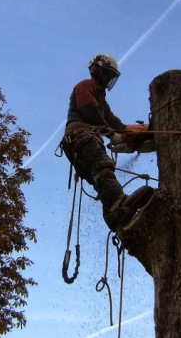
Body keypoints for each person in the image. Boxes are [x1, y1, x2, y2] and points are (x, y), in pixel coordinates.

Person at [62, 53, 153, 231]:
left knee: (101, 179)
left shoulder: (102, 101)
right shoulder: (85, 86)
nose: (107, 78)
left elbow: (116, 123)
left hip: (83, 142)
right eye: (106, 74)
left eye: (111, 76)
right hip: (80, 136)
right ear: (96, 70)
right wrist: (111, 134)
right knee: (103, 166)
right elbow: (88, 110)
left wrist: (137, 134)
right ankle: (119, 205)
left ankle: (114, 218)